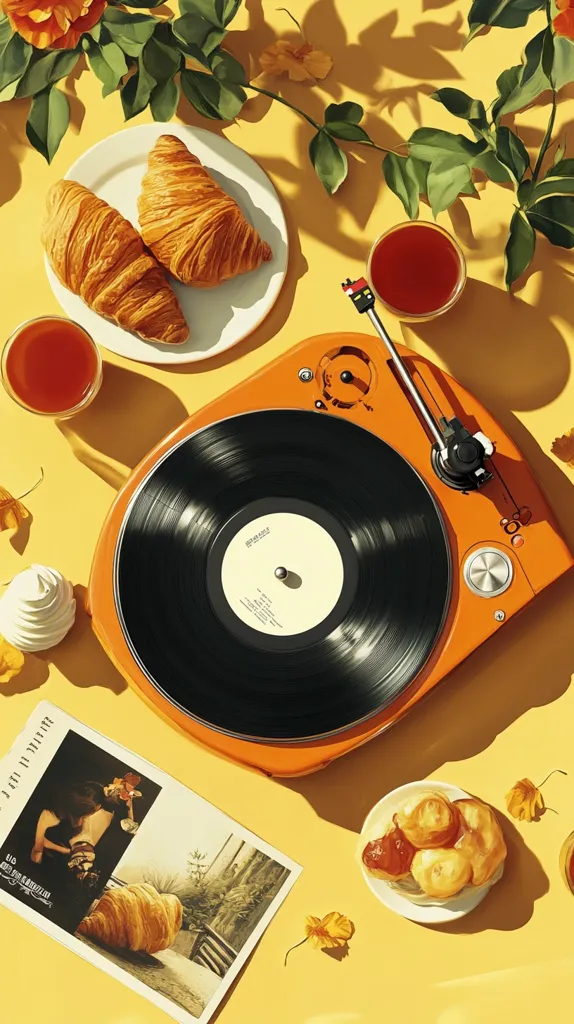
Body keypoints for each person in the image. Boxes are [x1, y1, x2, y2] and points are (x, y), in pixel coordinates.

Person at [31, 781, 106, 865]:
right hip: (45, 858)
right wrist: (67, 851)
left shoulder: (85, 818)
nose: (95, 806)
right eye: (88, 796)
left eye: (96, 801)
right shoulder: (50, 815)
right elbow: (39, 845)